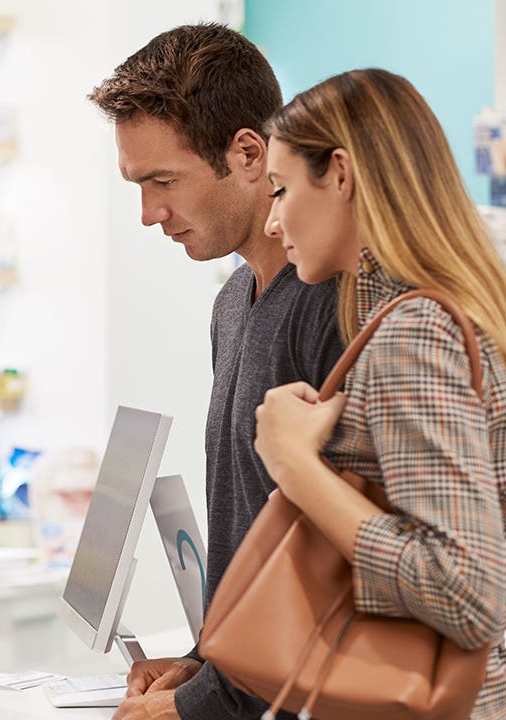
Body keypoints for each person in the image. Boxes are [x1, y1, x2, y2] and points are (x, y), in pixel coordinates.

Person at [88, 23, 345, 720]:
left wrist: (203, 703)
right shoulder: (232, 302)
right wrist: (206, 660)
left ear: (249, 154)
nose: (149, 214)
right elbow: (252, 533)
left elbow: (333, 558)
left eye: (163, 181)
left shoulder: (333, 302)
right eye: (138, 186)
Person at [255, 68, 506, 719]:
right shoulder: (454, 307)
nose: (273, 221)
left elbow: (466, 593)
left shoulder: (413, 333)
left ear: (340, 174)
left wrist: (294, 465)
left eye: (280, 191)